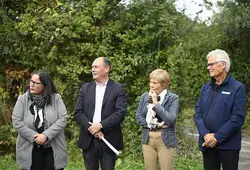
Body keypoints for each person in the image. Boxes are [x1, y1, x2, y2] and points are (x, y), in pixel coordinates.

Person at [194, 49, 247, 170]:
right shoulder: (205, 88)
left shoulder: (237, 87)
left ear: (223, 65)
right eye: (208, 64)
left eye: (211, 64)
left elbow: (238, 118)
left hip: (228, 145)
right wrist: (206, 135)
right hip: (207, 144)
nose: (208, 67)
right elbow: (198, 114)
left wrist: (217, 137)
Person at [74, 57, 127, 170]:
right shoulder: (85, 88)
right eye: (92, 67)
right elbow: (78, 112)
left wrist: (100, 126)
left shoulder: (118, 89)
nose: (93, 69)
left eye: (96, 67)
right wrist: (91, 128)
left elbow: (120, 113)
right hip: (88, 140)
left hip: (108, 139)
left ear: (106, 68)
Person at [12, 70, 68, 170]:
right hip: (30, 148)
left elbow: (62, 119)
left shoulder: (56, 98)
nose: (32, 85)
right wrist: (35, 137)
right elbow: (17, 122)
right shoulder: (22, 100)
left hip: (53, 148)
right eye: (31, 81)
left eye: (36, 83)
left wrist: (46, 135)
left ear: (45, 86)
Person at [136, 69, 179, 170]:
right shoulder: (145, 96)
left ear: (163, 84)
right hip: (148, 138)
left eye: (155, 83)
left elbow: (170, 120)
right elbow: (138, 117)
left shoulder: (173, 98)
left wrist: (156, 104)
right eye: (151, 81)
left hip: (165, 139)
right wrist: (154, 125)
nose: (151, 85)